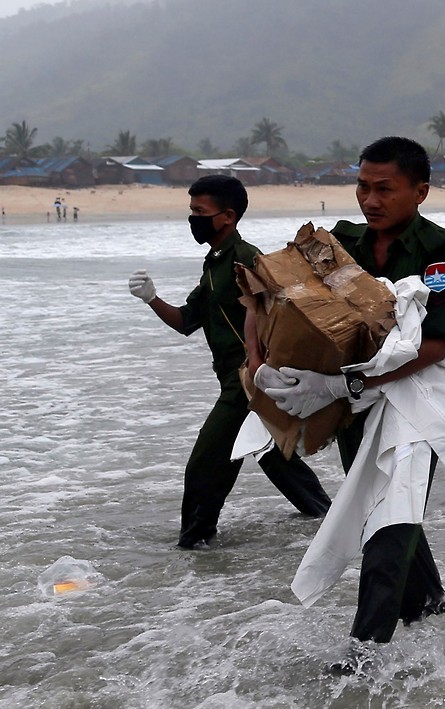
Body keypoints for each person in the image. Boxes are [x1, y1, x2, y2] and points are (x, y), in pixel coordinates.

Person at [248, 136, 445, 662]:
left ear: (420, 192)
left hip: (418, 397)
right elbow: (266, 293)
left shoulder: (440, 248)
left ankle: (365, 654)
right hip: (356, 403)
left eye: (384, 189)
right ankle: (432, 607)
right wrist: (258, 363)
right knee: (384, 507)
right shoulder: (339, 241)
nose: (370, 200)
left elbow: (436, 345)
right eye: (363, 187)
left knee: (389, 515)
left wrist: (344, 385)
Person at [127, 175, 331, 550]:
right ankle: (326, 518)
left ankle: (193, 543)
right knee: (272, 455)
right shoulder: (214, 266)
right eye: (191, 211)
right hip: (235, 379)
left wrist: (263, 364)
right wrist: (151, 299)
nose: (193, 219)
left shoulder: (246, 259)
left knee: (207, 462)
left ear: (227, 217)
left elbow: (283, 314)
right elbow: (186, 321)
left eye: (199, 212)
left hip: (248, 380)